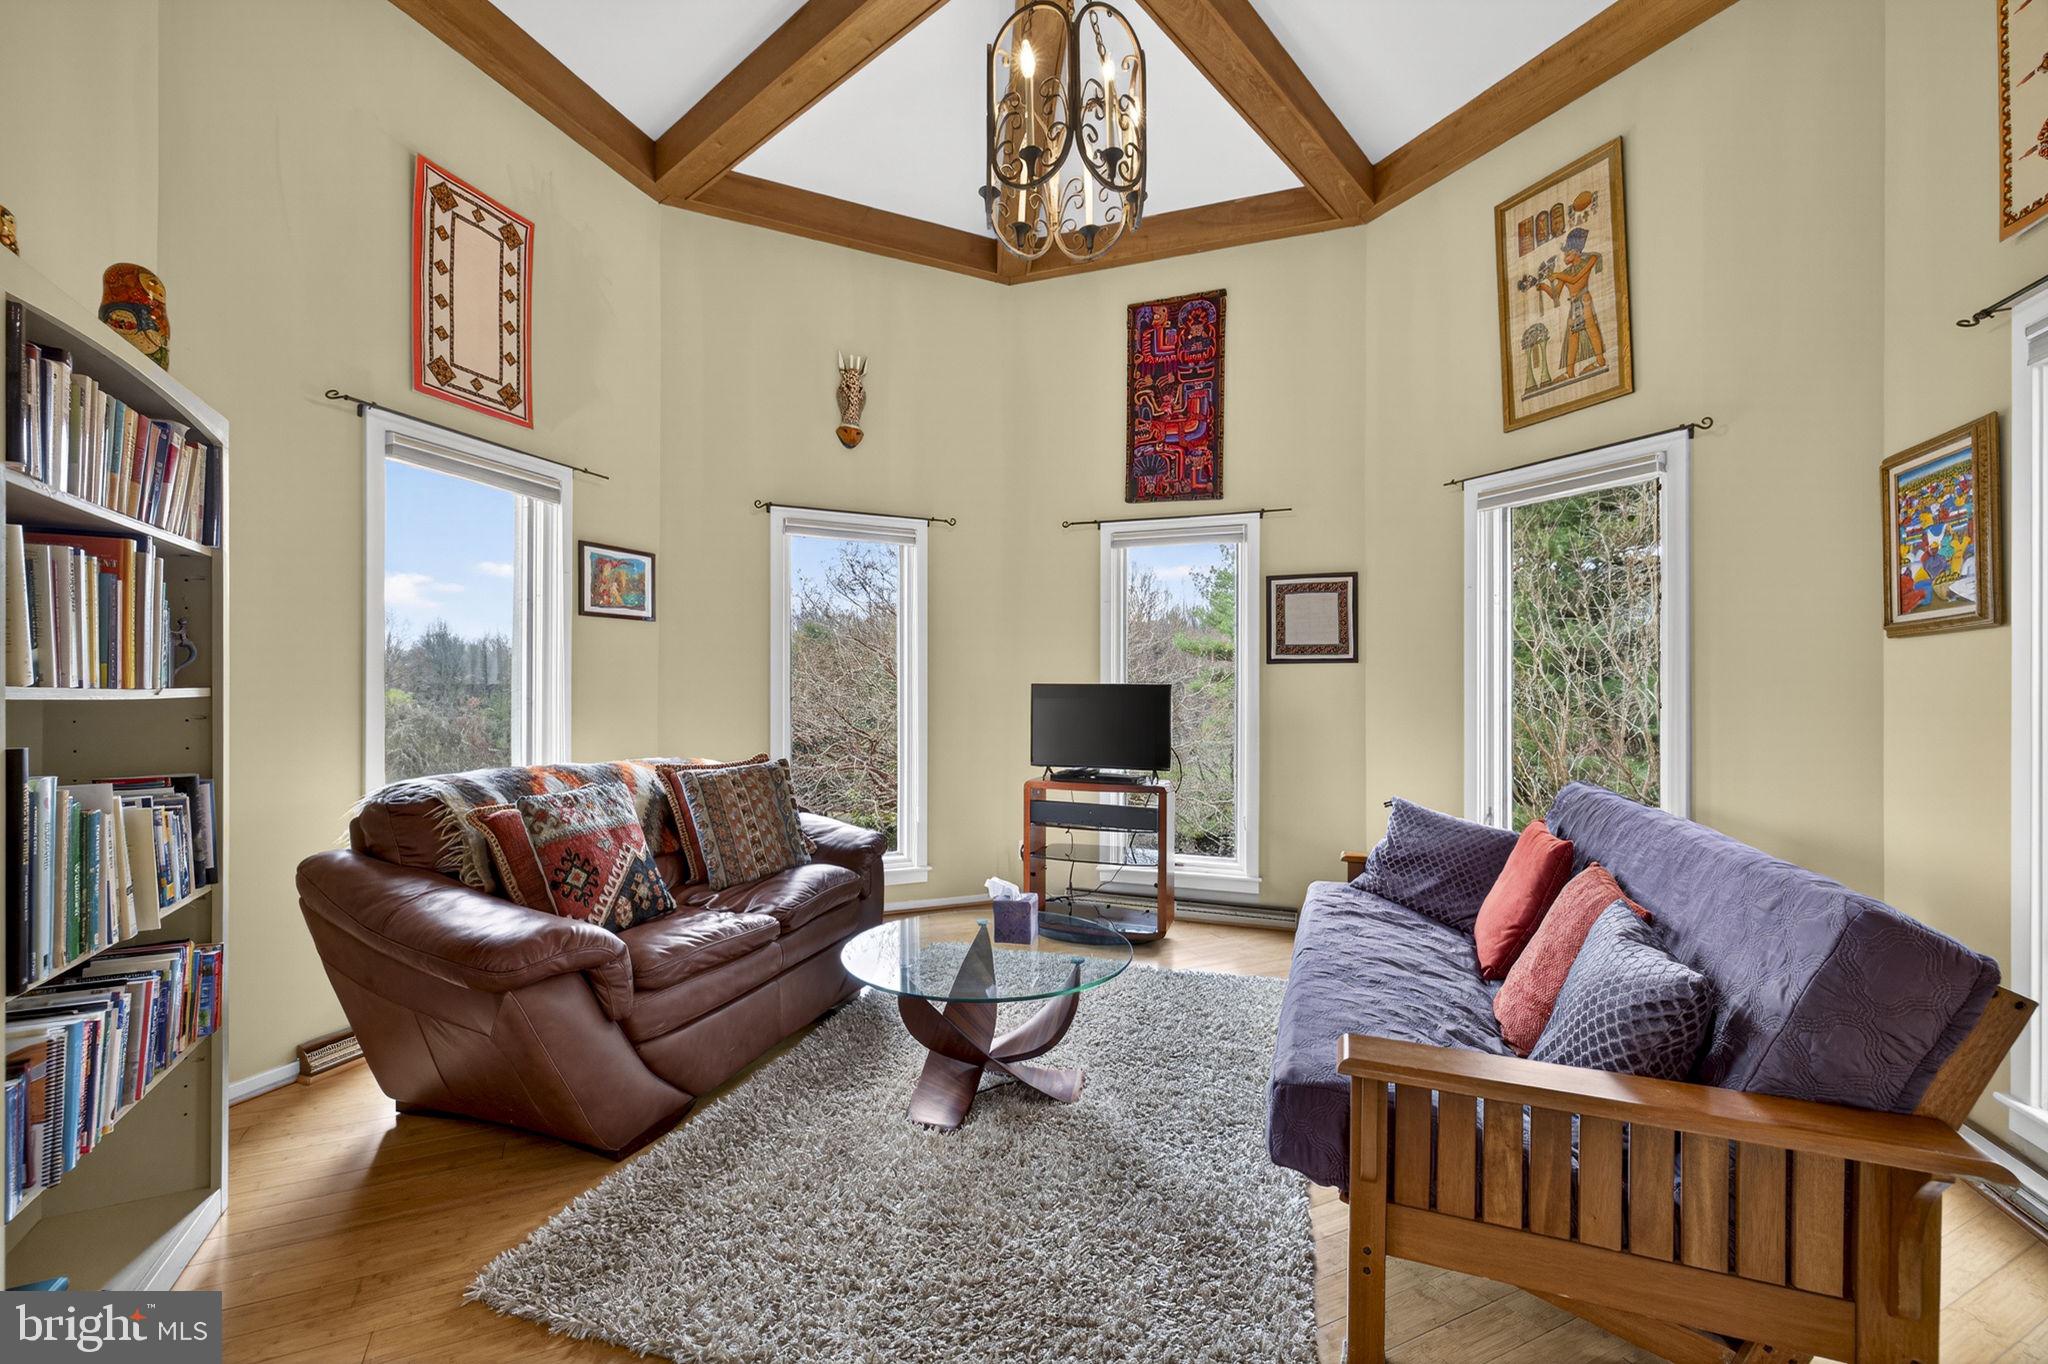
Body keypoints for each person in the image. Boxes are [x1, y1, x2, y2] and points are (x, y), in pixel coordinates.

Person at [1534, 227, 1606, 381]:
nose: (1565, 256)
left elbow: (1576, 278)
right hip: (1573, 304)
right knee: (1572, 336)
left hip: (1584, 299)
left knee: (1591, 329)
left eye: (1567, 252)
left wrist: (1558, 275)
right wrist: (1544, 286)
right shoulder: (1565, 272)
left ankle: (1600, 361)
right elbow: (1555, 296)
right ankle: (1570, 372)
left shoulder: (1589, 260)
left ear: (1576, 251)